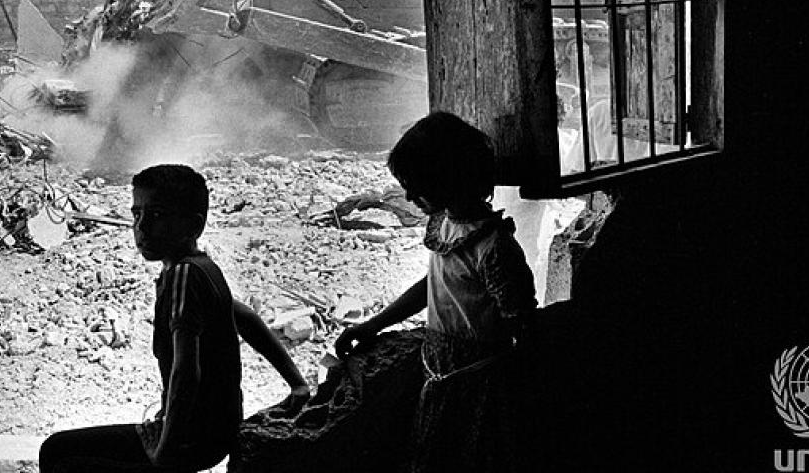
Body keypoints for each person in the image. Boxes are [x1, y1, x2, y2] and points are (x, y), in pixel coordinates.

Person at [40, 164, 311, 473]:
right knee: (58, 450)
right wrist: (297, 383)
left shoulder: (184, 274)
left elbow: (186, 371)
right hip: (211, 431)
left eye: (156, 216)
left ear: (193, 226)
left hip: (191, 439)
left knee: (62, 459)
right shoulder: (202, 268)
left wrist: (165, 453)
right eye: (136, 214)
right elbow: (246, 318)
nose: (141, 227)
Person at [334, 111, 537, 472]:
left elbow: (523, 325)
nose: (409, 196)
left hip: (480, 384)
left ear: (448, 178)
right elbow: (434, 285)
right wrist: (374, 325)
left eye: (417, 184)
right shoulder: (444, 225)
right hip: (440, 370)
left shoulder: (493, 248)